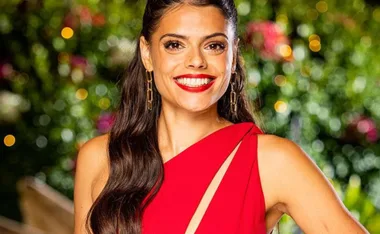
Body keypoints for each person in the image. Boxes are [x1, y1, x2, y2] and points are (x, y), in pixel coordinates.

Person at [73, 0, 370, 233]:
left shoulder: (272, 161)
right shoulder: (99, 158)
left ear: (232, 55)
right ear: (147, 53)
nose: (196, 61)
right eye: (175, 44)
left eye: (214, 45)